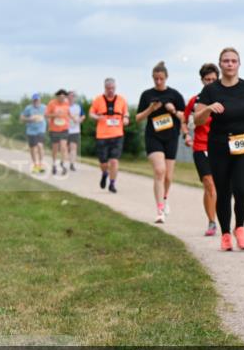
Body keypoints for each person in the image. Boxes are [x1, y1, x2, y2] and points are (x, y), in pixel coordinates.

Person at [194, 47, 244, 251]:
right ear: (220, 64)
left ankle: (239, 227)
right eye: (226, 61)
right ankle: (225, 233)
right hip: (219, 146)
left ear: (239, 64)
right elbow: (197, 120)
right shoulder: (210, 90)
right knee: (223, 191)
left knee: (242, 189)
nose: (230, 64)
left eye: (234, 61)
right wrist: (208, 108)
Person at [136, 62, 185, 224]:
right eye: (155, 79)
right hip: (153, 137)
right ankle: (159, 210)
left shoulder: (175, 95)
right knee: (159, 170)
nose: (158, 82)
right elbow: (137, 119)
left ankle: (164, 197)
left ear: (166, 78)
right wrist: (150, 109)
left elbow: (185, 118)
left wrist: (172, 110)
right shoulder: (146, 95)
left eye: (161, 79)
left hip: (171, 137)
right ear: (152, 78)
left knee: (169, 177)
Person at [184, 63, 220, 236]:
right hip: (201, 145)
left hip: (221, 146)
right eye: (207, 80)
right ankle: (212, 222)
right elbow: (185, 122)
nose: (211, 82)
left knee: (222, 186)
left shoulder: (225, 98)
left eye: (214, 79)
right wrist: (186, 135)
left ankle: (228, 220)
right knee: (209, 184)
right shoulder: (195, 101)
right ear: (202, 80)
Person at [89, 78, 129, 192]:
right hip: (102, 135)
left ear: (115, 87)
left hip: (117, 135)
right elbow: (91, 113)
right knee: (103, 162)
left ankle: (112, 184)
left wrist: (126, 118)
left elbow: (126, 112)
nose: (111, 90)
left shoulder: (121, 99)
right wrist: (97, 117)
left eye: (113, 88)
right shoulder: (98, 100)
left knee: (114, 161)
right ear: (104, 88)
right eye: (108, 88)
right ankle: (104, 173)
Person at [46, 89, 71, 175]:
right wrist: (55, 115)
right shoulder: (52, 103)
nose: (62, 99)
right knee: (55, 149)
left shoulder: (67, 103)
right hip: (54, 129)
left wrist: (73, 118)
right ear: (57, 96)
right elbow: (46, 115)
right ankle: (54, 164)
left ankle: (63, 164)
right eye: (60, 97)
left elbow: (68, 113)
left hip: (64, 128)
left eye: (64, 97)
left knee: (64, 147)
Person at [20, 93, 47, 173]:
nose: (36, 102)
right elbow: (22, 118)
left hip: (41, 129)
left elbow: (49, 115)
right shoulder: (28, 108)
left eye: (37, 100)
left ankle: (41, 164)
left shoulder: (44, 107)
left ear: (40, 100)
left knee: (40, 145)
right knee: (33, 148)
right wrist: (29, 119)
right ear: (32, 101)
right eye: (34, 100)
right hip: (31, 131)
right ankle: (35, 165)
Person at [66, 91, 84, 170]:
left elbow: (83, 116)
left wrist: (80, 120)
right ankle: (65, 161)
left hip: (75, 130)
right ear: (67, 97)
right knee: (66, 148)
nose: (71, 97)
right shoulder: (64, 106)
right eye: (70, 96)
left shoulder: (78, 106)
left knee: (73, 147)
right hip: (65, 130)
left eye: (73, 96)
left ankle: (72, 164)